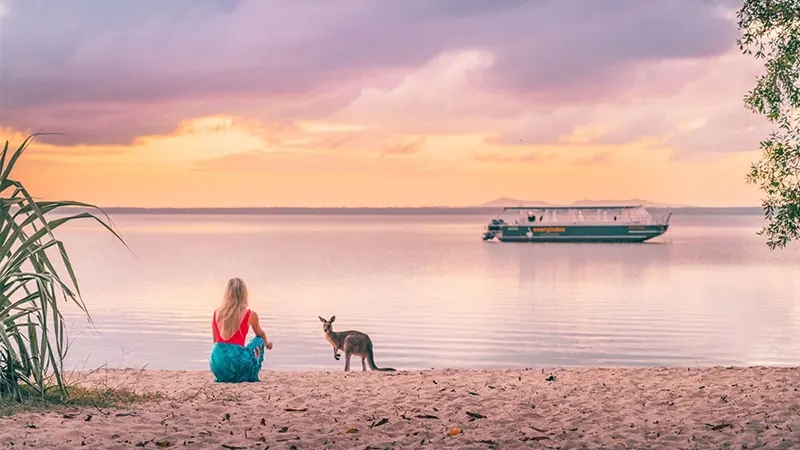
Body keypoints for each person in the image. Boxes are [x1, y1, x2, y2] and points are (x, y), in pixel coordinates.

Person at [209, 277, 273, 382]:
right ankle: (250, 373)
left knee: (222, 349)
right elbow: (260, 334)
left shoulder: (216, 313)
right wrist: (266, 343)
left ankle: (226, 373)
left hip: (217, 365)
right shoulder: (250, 314)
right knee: (258, 340)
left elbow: (215, 342)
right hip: (237, 364)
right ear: (244, 294)